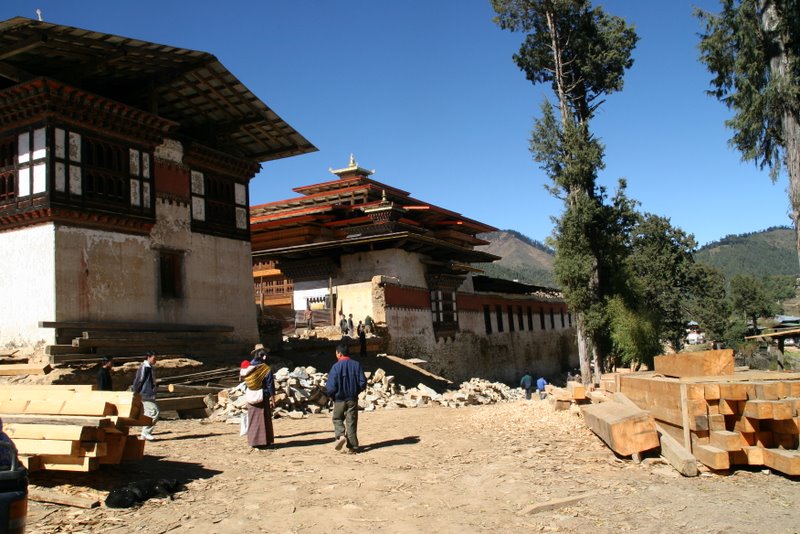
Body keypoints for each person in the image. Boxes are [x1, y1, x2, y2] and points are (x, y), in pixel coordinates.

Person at [327, 343, 367, 453]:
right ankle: (353, 447)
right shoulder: (356, 365)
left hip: (339, 399)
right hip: (352, 399)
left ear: (339, 353)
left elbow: (330, 386)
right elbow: (362, 382)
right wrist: (356, 392)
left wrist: (332, 396)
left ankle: (340, 435)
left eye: (336, 352)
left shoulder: (335, 367)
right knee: (351, 422)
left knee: (337, 418)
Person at [242, 344, 276, 450]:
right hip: (263, 395)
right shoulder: (265, 368)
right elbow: (270, 384)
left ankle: (253, 441)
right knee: (264, 418)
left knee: (253, 418)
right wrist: (273, 397)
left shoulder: (248, 367)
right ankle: (264, 442)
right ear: (264, 355)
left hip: (250, 394)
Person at [132, 351, 159, 441]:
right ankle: (146, 432)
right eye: (154, 358)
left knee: (148, 413)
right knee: (154, 412)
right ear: (148, 357)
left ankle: (144, 435)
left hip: (149, 393)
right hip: (145, 394)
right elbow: (139, 380)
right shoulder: (145, 367)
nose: (155, 360)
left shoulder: (149, 367)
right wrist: (136, 392)